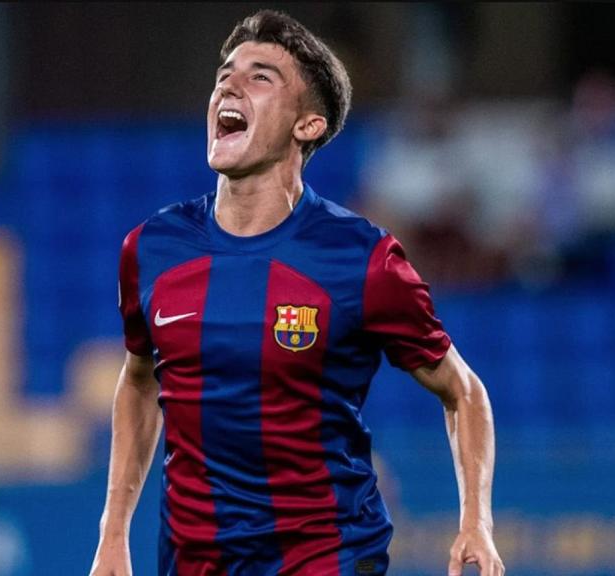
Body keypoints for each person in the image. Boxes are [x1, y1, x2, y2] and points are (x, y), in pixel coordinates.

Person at [89, 10, 504, 576]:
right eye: (225, 74)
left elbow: (463, 391)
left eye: (261, 76)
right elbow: (139, 381)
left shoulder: (363, 260)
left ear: (307, 125)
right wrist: (113, 536)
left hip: (324, 556)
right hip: (192, 562)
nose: (230, 85)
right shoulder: (153, 249)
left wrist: (475, 521)